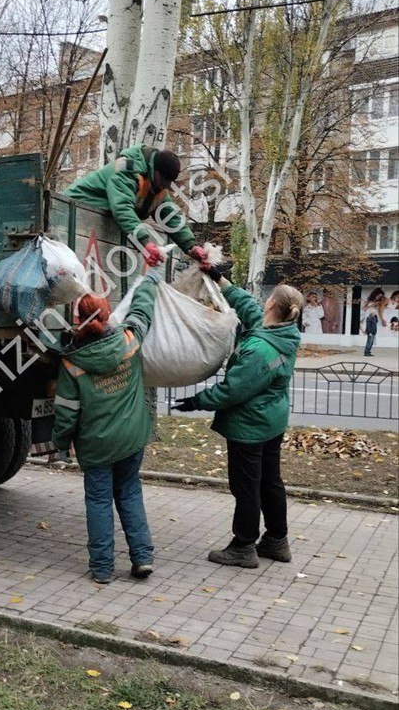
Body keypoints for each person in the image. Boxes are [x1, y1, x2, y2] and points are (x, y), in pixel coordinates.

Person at [173, 269, 303, 569]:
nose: (263, 303)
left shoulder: (260, 349)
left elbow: (232, 390)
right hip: (271, 421)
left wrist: (195, 402)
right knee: (270, 482)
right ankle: (277, 541)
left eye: (268, 299)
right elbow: (246, 304)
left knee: (246, 487)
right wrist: (219, 279)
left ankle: (244, 546)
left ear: (272, 304)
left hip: (250, 426)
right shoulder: (282, 332)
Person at [52, 278, 158, 584]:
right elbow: (142, 311)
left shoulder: (72, 363)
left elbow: (66, 413)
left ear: (77, 321)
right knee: (129, 493)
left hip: (97, 447)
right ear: (108, 315)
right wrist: (149, 279)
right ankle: (142, 557)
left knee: (99, 502)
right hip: (131, 439)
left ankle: (102, 568)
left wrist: (60, 445)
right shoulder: (129, 341)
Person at [64, 145, 207, 268]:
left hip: (92, 223)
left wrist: (191, 246)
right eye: (163, 181)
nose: (165, 186)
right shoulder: (127, 170)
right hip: (71, 210)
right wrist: (145, 242)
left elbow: (171, 217)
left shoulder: (158, 187)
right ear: (155, 171)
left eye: (168, 184)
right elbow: (122, 208)